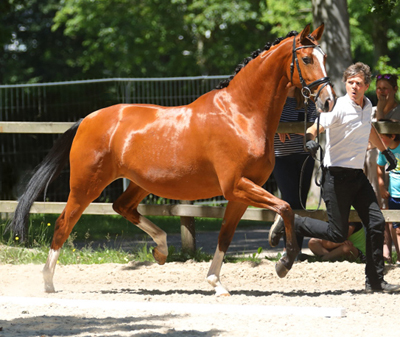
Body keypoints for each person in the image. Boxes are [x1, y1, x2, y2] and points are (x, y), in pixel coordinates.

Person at [269, 62, 400, 293]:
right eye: (350, 82)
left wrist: (385, 151)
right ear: (345, 83)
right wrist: (309, 139)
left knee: (377, 222)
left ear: (366, 86)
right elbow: (314, 128)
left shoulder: (367, 104)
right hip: (336, 177)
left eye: (359, 83)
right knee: (337, 234)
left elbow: (368, 128)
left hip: (357, 177)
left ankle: (375, 281)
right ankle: (291, 222)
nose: (354, 87)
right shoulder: (339, 107)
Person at [272, 86, 317, 260]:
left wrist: (289, 129)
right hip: (281, 157)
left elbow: (315, 124)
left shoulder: (307, 99)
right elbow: (265, 121)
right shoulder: (276, 100)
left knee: (300, 203)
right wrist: (279, 128)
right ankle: (288, 248)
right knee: (289, 202)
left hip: (305, 157)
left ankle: (295, 249)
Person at [364, 74, 400, 263]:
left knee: (393, 206)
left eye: (386, 88)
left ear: (395, 89)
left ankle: (397, 249)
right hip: (375, 163)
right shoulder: (373, 110)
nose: (382, 92)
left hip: (395, 166)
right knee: (378, 204)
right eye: (379, 88)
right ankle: (384, 247)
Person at [377, 121, 400, 264]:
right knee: (396, 228)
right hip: (394, 196)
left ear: (392, 136)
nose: (379, 140)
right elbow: (380, 167)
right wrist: (381, 186)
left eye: (382, 137)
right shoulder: (384, 151)